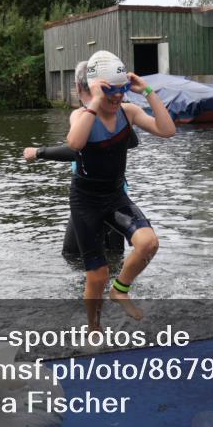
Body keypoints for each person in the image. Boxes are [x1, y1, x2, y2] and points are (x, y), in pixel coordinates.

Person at [59, 51, 175, 331]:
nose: (116, 99)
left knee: (148, 243)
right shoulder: (82, 114)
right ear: (95, 88)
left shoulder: (129, 112)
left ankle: (120, 289)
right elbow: (74, 143)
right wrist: (96, 101)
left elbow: (167, 130)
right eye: (110, 93)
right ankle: (93, 327)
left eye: (121, 92)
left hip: (114, 196)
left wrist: (147, 91)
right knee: (96, 276)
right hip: (85, 202)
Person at [24, 61, 134, 258]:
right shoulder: (113, 112)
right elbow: (131, 141)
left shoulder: (87, 113)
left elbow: (78, 150)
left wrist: (40, 152)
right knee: (114, 258)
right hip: (116, 196)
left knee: (72, 255)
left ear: (77, 86)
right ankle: (116, 288)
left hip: (92, 199)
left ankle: (94, 289)